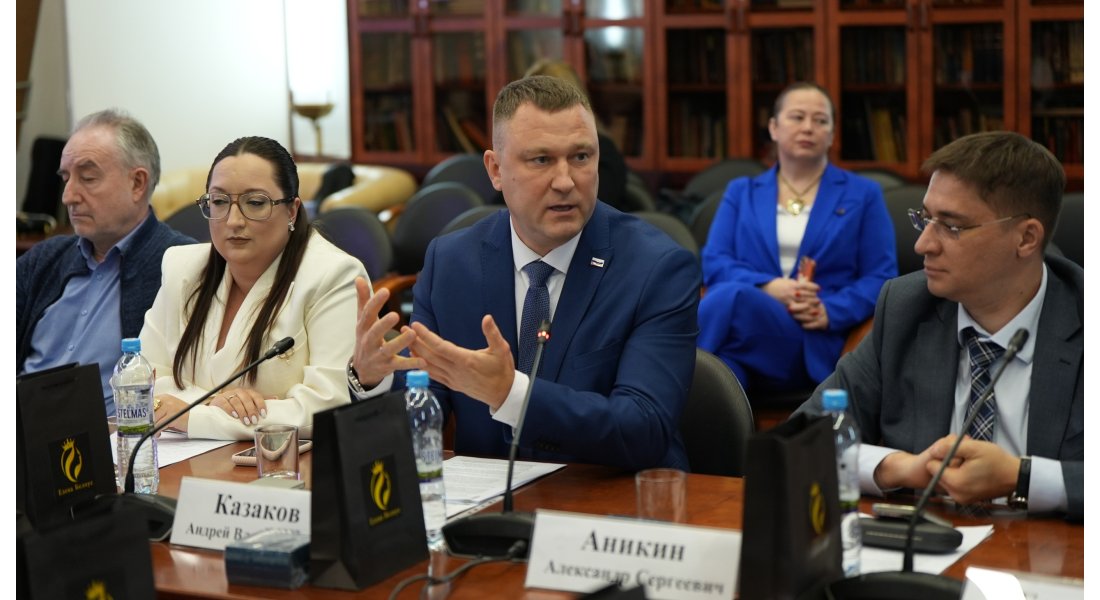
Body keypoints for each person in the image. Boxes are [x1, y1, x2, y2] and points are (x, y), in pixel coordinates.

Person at [349, 76, 700, 470]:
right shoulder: (451, 262)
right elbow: (426, 399)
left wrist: (512, 394)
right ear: (495, 170)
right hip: (487, 498)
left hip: (612, 496)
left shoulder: (657, 268)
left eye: (581, 157)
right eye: (541, 160)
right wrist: (372, 379)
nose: (565, 181)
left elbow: (644, 429)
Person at [796, 131, 1082, 519]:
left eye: (951, 226)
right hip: (929, 540)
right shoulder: (906, 307)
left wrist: (1021, 477)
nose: (923, 245)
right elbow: (802, 436)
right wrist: (901, 467)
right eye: (925, 219)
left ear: (1026, 238)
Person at [139, 136, 367, 440]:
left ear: (292, 211)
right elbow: (142, 380)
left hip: (281, 462)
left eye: (255, 203)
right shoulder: (181, 267)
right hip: (182, 457)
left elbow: (326, 406)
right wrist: (213, 402)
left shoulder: (333, 275)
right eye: (219, 202)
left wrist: (195, 415)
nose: (233, 221)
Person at [697, 82, 897, 392]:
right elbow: (715, 261)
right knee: (720, 379)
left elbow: (882, 277)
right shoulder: (742, 191)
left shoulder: (863, 194)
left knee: (733, 296)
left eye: (820, 120)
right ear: (773, 127)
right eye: (797, 117)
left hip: (811, 338)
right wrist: (768, 287)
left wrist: (830, 310)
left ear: (832, 134)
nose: (808, 127)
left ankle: (665, 371)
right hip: (745, 338)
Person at [17, 109, 194, 415]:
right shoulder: (43, 259)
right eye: (66, 178)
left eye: (87, 178)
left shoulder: (181, 264)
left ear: (137, 183)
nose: (68, 196)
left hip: (112, 436)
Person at [516, 58, 630, 211]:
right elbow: (502, 204)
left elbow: (597, 209)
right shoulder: (522, 150)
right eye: (542, 159)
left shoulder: (604, 151)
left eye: (580, 157)